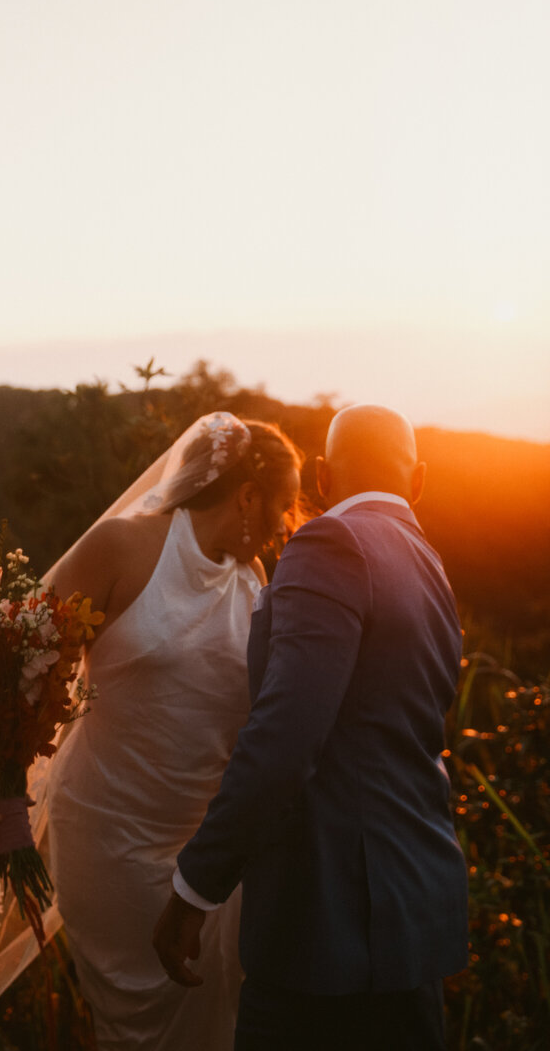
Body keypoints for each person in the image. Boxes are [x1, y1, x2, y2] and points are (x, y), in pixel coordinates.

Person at [0, 410, 305, 1051]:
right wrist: (9, 800)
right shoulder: (121, 547)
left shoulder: (253, 581)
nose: (286, 526)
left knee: (218, 1018)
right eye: (283, 506)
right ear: (246, 497)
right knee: (137, 1029)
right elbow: (21, 676)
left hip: (204, 856)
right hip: (111, 836)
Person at [153, 404, 469, 1051]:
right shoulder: (430, 566)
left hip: (326, 927)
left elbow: (284, 739)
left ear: (323, 477)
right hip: (413, 917)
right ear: (419, 481)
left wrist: (196, 888)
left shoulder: (329, 544)